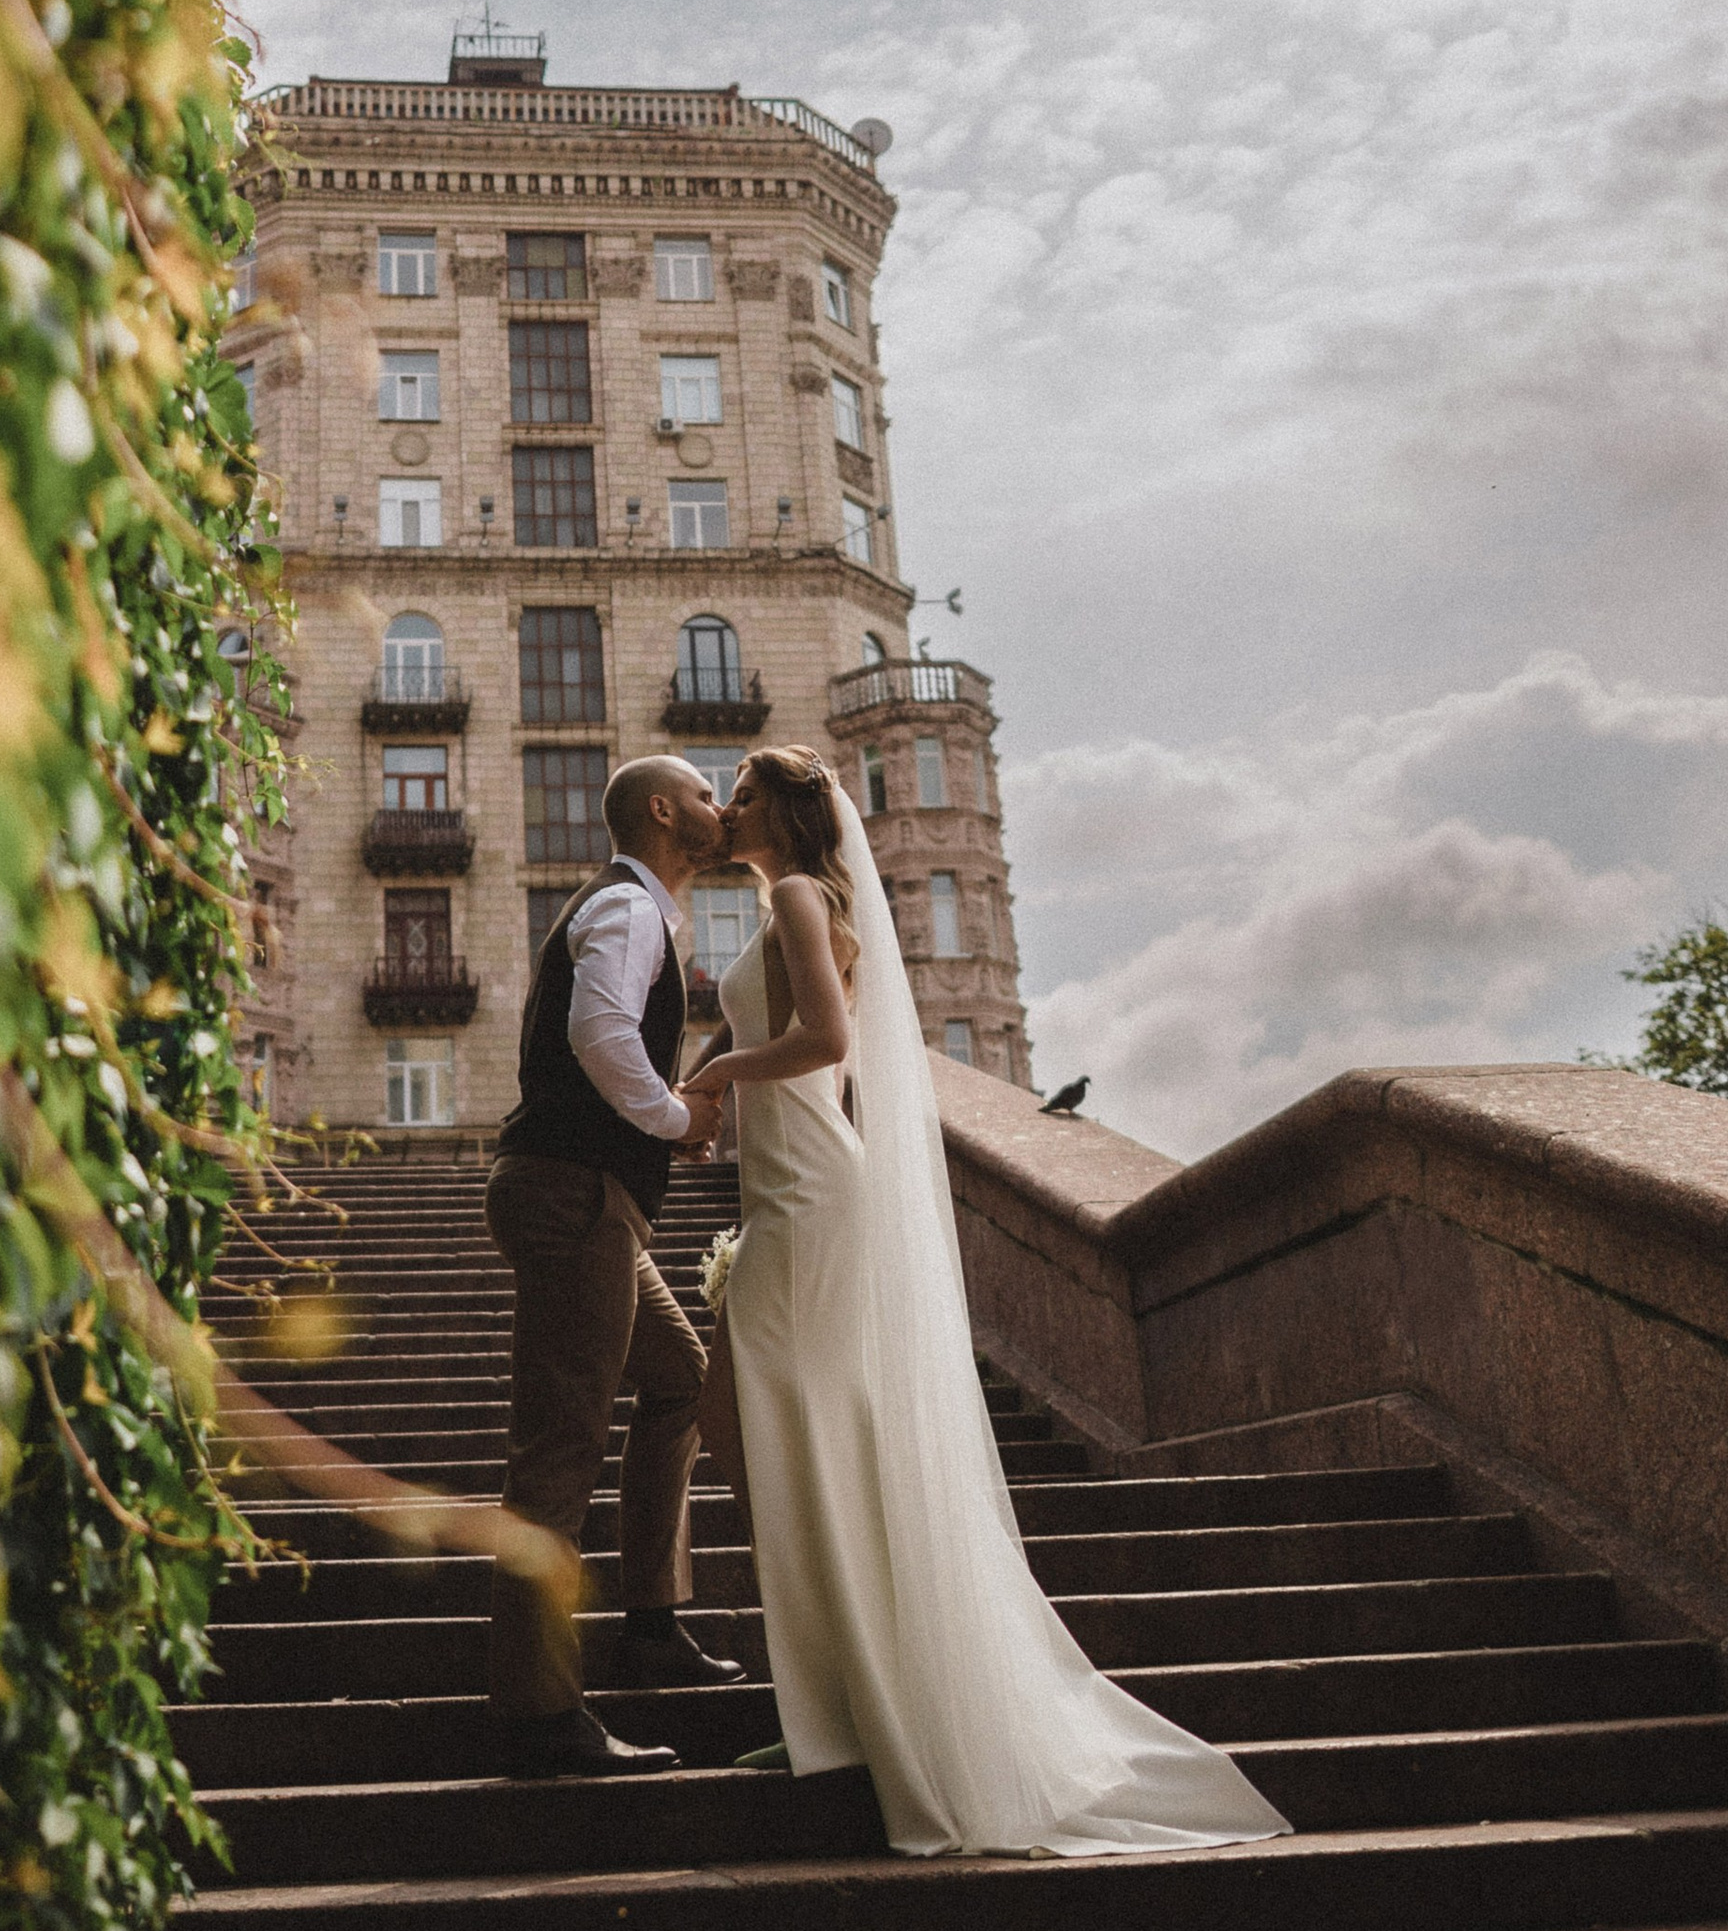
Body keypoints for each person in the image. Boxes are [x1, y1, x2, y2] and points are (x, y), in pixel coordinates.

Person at [682, 743, 1290, 1859]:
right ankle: (832, 1708)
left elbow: (825, 1040)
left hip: (815, 1193)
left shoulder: (810, 899)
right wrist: (713, 1086)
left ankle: (859, 1712)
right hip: (785, 1189)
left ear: (789, 813)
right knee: (771, 1433)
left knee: (765, 1426)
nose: (727, 809)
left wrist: (717, 1078)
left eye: (745, 795)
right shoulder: (782, 909)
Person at [485, 754, 742, 1777]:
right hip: (572, 1194)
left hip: (591, 1197)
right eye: (707, 795)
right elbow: (598, 1032)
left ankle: (648, 1621)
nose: (719, 810)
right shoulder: (628, 909)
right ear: (662, 810)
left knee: (683, 1380)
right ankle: (538, 1714)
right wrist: (677, 1116)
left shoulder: (641, 912)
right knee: (557, 1451)